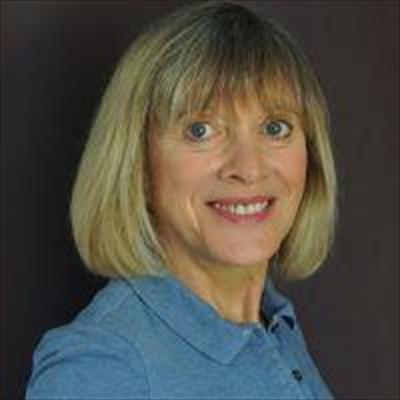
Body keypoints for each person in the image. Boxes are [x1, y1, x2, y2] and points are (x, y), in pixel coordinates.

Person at [26, 1, 337, 399]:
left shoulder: (274, 325)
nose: (248, 168)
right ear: (138, 161)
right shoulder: (103, 366)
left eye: (275, 128)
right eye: (200, 130)